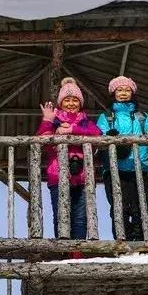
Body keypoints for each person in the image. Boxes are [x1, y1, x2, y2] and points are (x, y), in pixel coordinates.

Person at [97, 76, 148, 241]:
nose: (123, 93)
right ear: (113, 93)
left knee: (141, 204)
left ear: (133, 93)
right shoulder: (107, 117)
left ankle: (141, 237)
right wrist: (108, 136)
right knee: (119, 205)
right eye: (119, 90)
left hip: (139, 166)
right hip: (114, 168)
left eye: (127, 90)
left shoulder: (142, 116)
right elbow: (99, 133)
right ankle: (122, 237)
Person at [36, 77, 101, 239]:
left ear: (80, 103)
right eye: (67, 100)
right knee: (61, 216)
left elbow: (97, 134)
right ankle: (64, 251)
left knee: (80, 218)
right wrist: (47, 121)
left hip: (83, 176)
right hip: (58, 175)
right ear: (61, 102)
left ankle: (77, 253)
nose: (71, 103)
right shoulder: (54, 119)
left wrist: (71, 129)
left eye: (75, 100)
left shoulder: (85, 121)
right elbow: (42, 141)